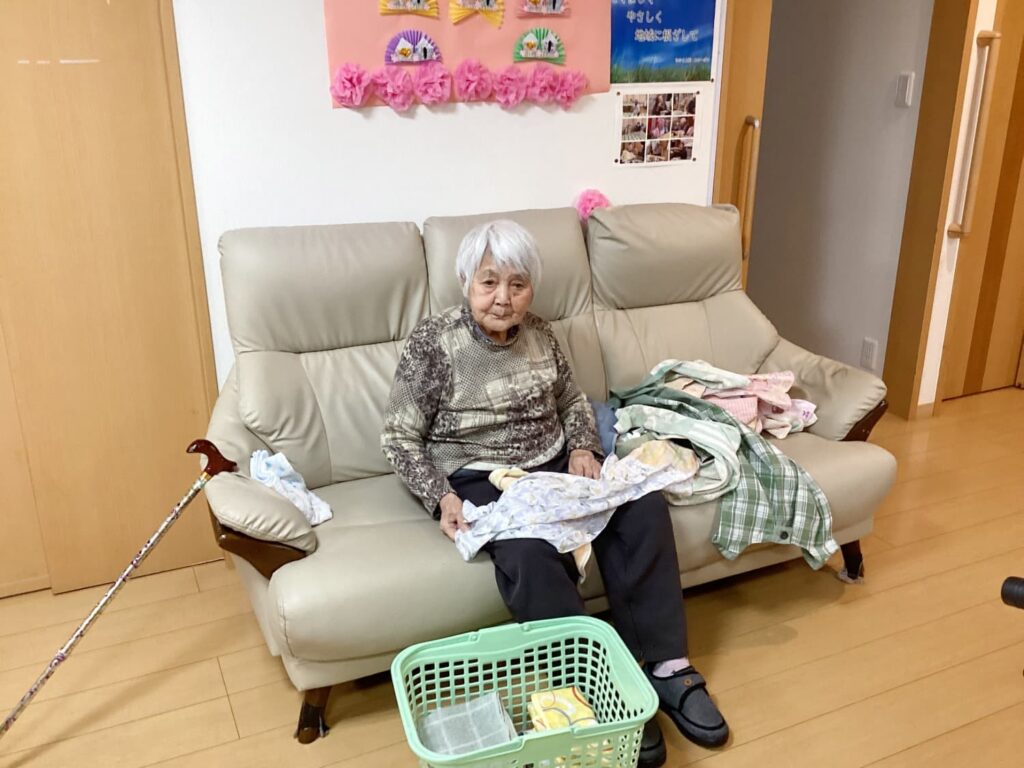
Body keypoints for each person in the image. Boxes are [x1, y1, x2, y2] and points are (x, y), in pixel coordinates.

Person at [382, 220, 729, 764]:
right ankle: (600, 686)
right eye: (489, 282)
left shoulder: (542, 334)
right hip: (482, 476)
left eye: (517, 284)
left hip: (555, 464)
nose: (503, 298)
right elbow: (399, 436)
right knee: (527, 554)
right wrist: (441, 496)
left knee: (641, 506)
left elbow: (572, 401)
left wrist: (585, 447)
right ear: (466, 282)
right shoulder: (435, 342)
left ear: (532, 289)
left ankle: (665, 666)